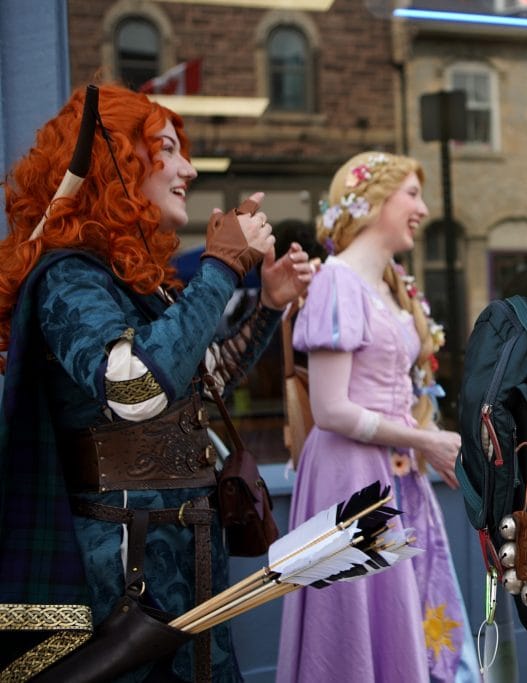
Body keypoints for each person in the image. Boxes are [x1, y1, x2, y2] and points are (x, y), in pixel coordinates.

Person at [0, 83, 312, 682]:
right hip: (123, 574)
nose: (188, 168)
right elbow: (136, 390)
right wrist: (221, 267)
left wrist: (269, 304)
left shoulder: (134, 281)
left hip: (186, 555)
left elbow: (201, 379)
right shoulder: (69, 276)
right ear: (117, 162)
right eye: (165, 150)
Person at [276, 151, 479, 683]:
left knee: (401, 618)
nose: (423, 207)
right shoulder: (337, 283)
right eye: (411, 194)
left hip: (392, 477)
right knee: (352, 627)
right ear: (371, 202)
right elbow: (331, 409)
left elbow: (389, 393)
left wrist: (427, 439)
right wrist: (424, 440)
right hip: (349, 481)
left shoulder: (386, 288)